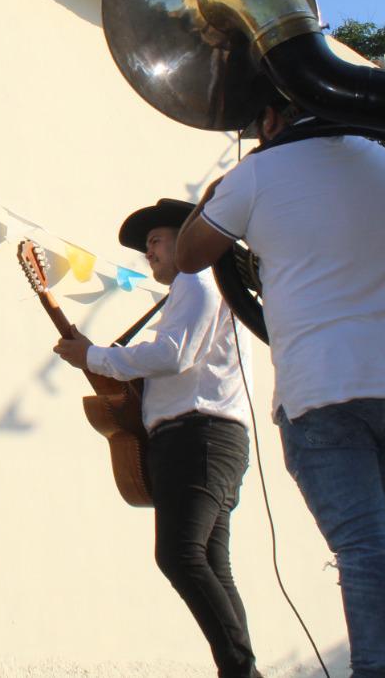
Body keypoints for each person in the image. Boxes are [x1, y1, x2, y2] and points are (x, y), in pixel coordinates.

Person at [173, 101, 385, 678]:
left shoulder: (253, 176)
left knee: (362, 548)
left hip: (322, 382)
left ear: (272, 119)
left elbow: (187, 256)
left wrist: (213, 197)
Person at [53, 198, 260, 678]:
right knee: (210, 561)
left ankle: (241, 671)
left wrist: (97, 358)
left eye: (156, 241)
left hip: (198, 436)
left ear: (186, 240)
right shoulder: (207, 287)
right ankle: (239, 669)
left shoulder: (196, 280)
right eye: (148, 246)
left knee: (179, 554)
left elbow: (173, 354)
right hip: (211, 437)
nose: (150, 253)